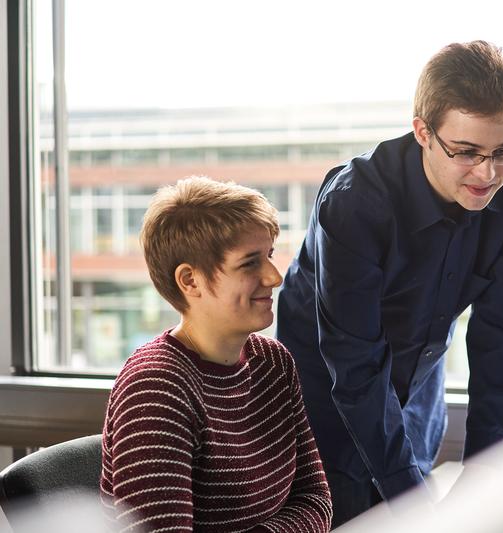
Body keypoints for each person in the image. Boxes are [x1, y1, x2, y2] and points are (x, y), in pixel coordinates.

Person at [276, 40, 503, 527]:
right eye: (466, 152)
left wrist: (485, 469)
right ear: (423, 132)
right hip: (326, 396)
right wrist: (414, 501)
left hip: (417, 382)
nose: (487, 173)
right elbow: (355, 367)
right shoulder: (355, 204)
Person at [100, 176, 332, 532]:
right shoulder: (156, 388)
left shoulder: (273, 363)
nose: (274, 276)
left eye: (269, 255)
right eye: (249, 263)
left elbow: (315, 500)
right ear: (190, 281)